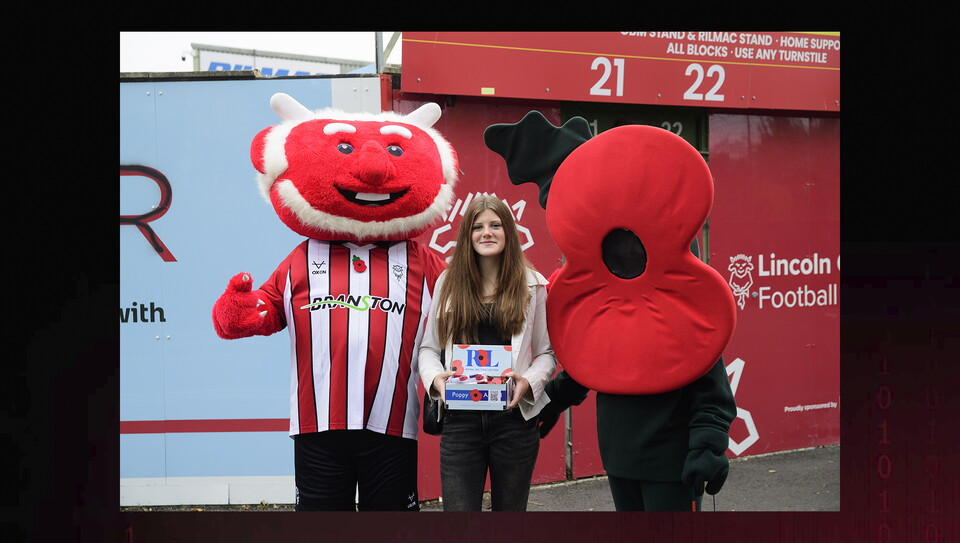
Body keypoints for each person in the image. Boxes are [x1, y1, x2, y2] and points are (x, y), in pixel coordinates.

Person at [419, 195, 556, 511]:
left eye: (495, 225)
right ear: (468, 235)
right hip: (459, 420)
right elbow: (428, 348)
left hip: (514, 421)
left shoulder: (533, 285)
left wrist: (528, 382)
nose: (487, 233)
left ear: (508, 231)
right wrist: (437, 379)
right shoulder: (448, 283)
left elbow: (547, 353)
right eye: (478, 227)